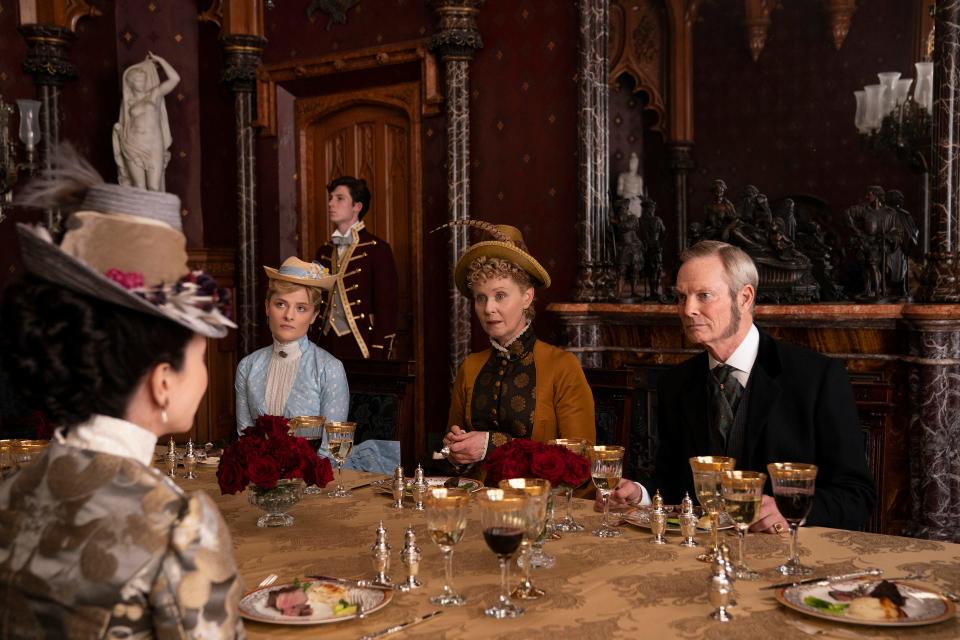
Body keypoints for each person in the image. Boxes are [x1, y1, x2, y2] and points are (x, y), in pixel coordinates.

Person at [0, 148, 243, 637]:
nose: (206, 373)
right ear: (162, 381)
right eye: (201, 356)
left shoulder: (10, 493)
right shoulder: (178, 527)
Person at [598, 241, 875, 532]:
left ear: (744, 298)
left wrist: (794, 510)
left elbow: (856, 495)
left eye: (703, 296)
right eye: (681, 297)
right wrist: (638, 494)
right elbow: (673, 483)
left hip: (786, 554)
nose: (688, 310)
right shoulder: (675, 384)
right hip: (700, 557)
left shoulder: (817, 378)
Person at [441, 222, 596, 467]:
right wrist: (455, 448)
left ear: (527, 297)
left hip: (539, 501)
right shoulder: (470, 367)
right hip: (475, 498)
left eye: (500, 295)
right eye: (481, 298)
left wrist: (491, 446)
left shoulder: (562, 367)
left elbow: (580, 461)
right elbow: (450, 446)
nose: (488, 308)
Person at [234, 256, 349, 435]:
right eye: (280, 304)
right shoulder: (247, 366)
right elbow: (245, 438)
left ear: (313, 316)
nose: (289, 315)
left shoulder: (329, 368)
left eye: (301, 308)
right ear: (267, 307)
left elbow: (331, 448)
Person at [315, 176, 399, 360]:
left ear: (357, 207)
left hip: (361, 346)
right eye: (330, 198)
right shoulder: (324, 251)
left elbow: (386, 307)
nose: (331, 204)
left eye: (339, 198)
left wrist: (379, 350)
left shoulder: (377, 249)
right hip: (324, 345)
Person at [112, 52, 180, 192]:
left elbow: (175, 79)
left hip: (153, 145)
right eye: (138, 80)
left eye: (143, 80)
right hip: (133, 144)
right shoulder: (127, 102)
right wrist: (119, 131)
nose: (141, 83)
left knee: (154, 187)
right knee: (139, 187)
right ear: (130, 82)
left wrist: (160, 60)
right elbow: (125, 123)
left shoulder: (154, 95)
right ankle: (139, 214)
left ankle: (156, 214)